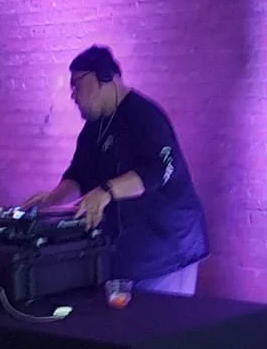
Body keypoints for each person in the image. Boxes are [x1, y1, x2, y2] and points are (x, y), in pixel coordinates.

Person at [24, 46, 210, 296]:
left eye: (77, 85)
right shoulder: (94, 129)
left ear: (104, 77)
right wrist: (53, 199)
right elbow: (79, 173)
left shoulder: (145, 116)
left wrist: (106, 191)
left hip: (167, 250)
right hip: (128, 254)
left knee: (164, 320)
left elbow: (159, 169)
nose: (73, 95)